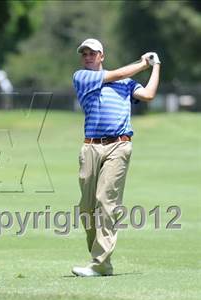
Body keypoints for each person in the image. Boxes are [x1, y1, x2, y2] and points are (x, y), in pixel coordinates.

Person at [71, 38, 160, 277]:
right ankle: (100, 259)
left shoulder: (127, 83)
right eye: (85, 54)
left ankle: (100, 263)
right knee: (86, 208)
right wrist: (143, 63)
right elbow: (115, 75)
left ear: (102, 56)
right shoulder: (82, 77)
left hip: (119, 147)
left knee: (105, 201)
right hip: (90, 147)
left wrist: (156, 66)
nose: (88, 57)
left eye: (93, 53)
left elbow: (149, 94)